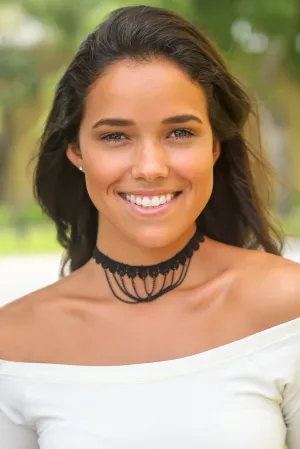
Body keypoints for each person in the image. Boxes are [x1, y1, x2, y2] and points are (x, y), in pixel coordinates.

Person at [0, 4, 299, 448]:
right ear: (77, 152)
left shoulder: (286, 304)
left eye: (179, 132)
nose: (150, 167)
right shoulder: (14, 342)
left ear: (215, 146)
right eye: (115, 136)